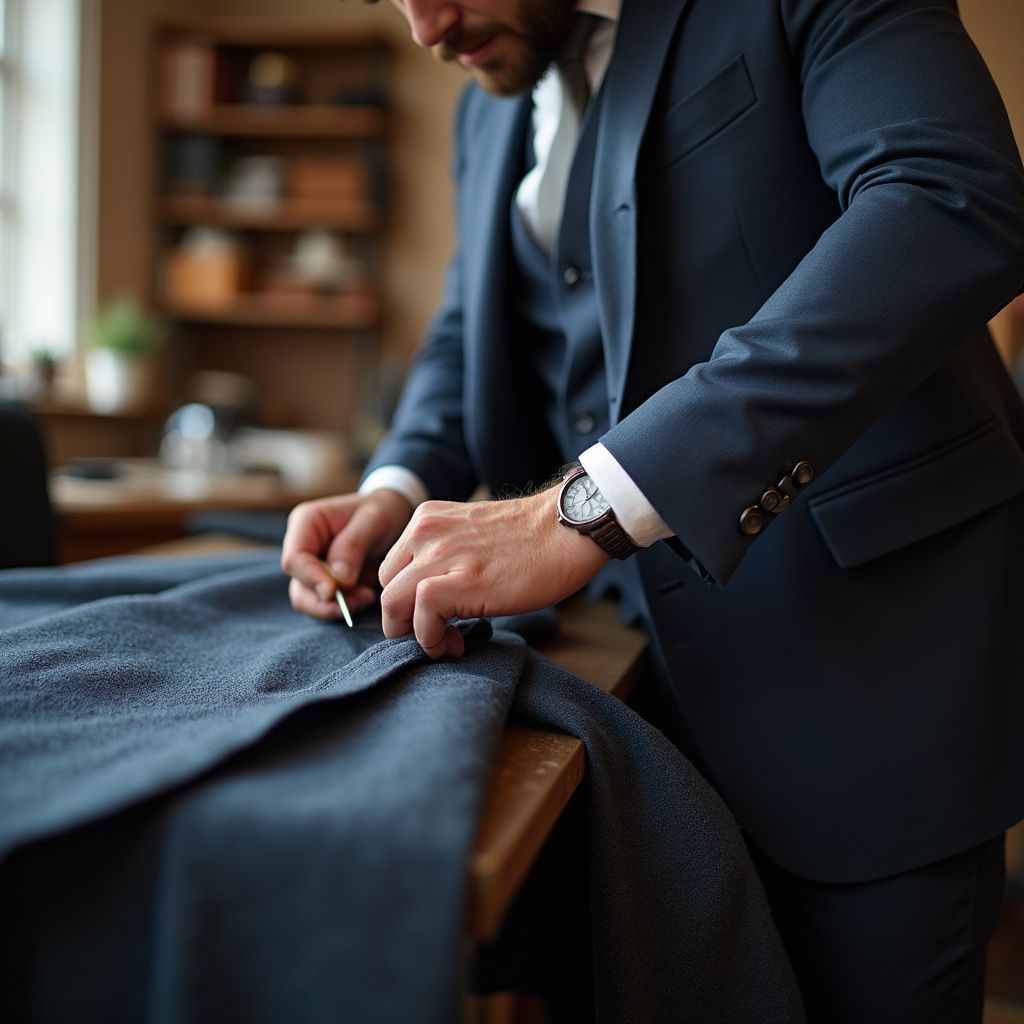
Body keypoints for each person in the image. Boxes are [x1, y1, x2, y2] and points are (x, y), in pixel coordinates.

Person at [281, 1, 1024, 1019]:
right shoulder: (489, 102)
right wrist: (393, 487)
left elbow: (944, 199)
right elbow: (472, 322)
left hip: (870, 681)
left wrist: (577, 514)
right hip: (639, 720)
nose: (425, 27)